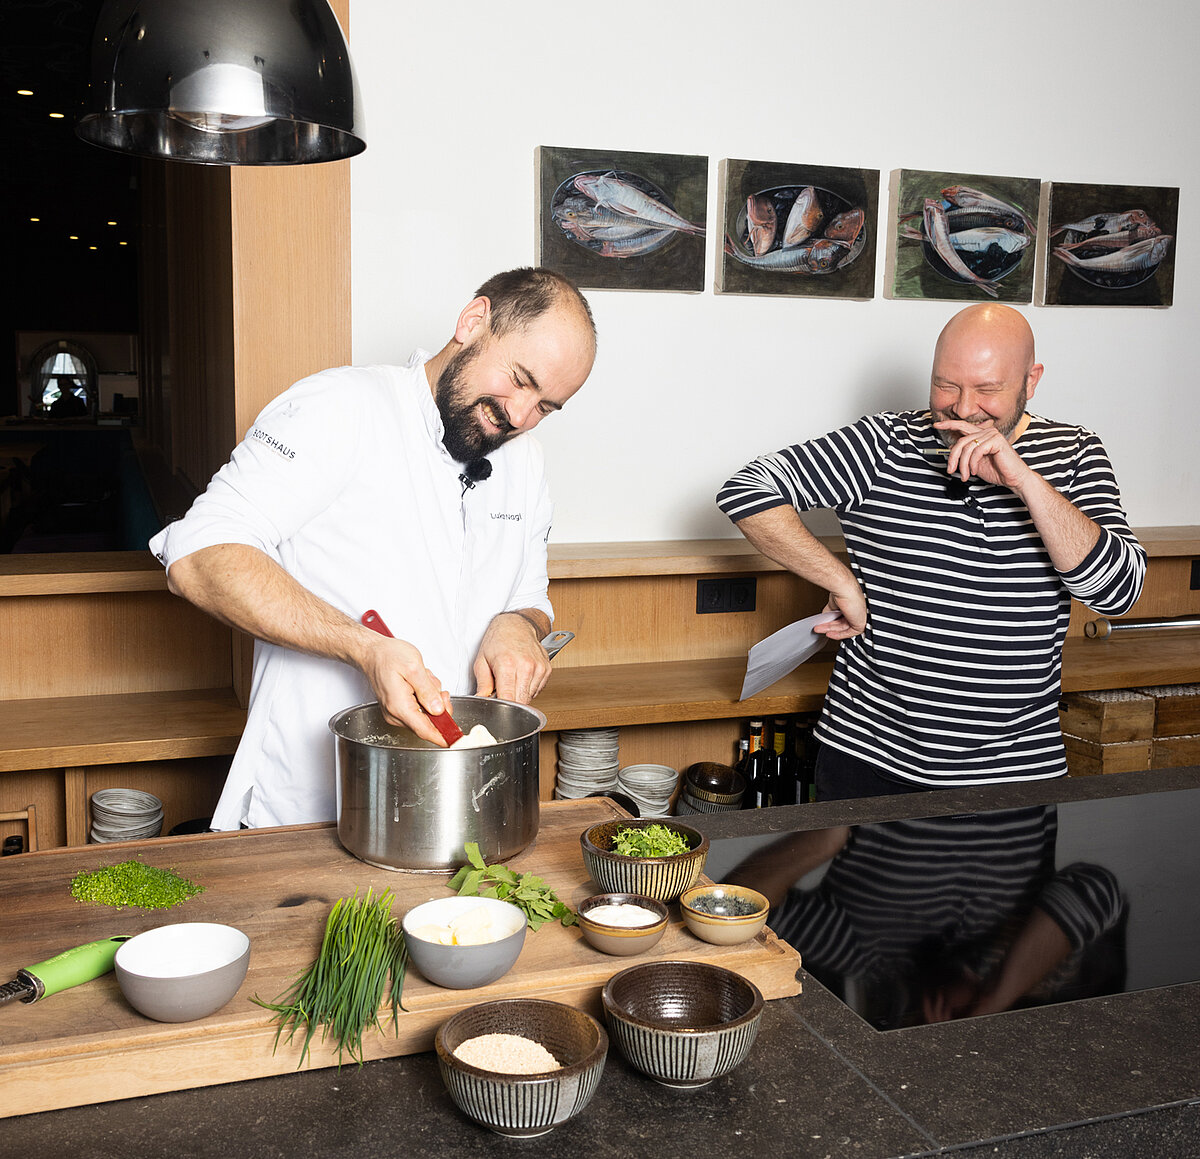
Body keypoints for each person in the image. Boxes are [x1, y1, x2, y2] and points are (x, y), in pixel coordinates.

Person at [150, 268, 596, 830]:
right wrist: (364, 648)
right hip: (311, 807)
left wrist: (519, 623)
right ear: (473, 321)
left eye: (546, 407)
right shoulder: (341, 405)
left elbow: (530, 595)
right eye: (520, 379)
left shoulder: (524, 460)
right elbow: (199, 555)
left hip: (450, 811)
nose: (521, 416)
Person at [717, 303, 1146, 800]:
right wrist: (841, 582)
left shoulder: (1076, 452)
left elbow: (1119, 594)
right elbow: (745, 491)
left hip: (1016, 772)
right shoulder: (883, 442)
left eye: (988, 390)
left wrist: (1023, 481)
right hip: (866, 759)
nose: (964, 410)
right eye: (947, 385)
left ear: (1032, 380)